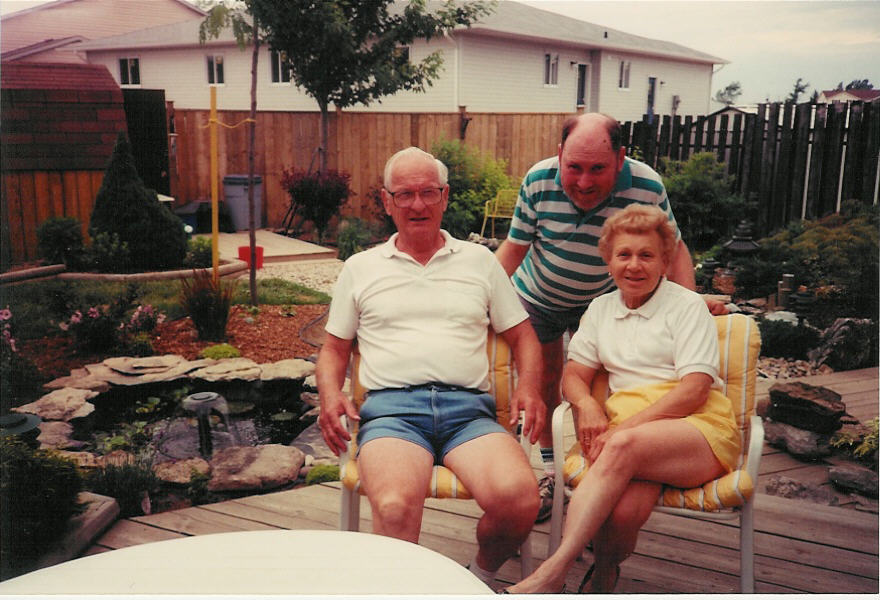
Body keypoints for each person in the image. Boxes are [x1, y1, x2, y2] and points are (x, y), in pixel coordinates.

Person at [316, 146, 546, 587]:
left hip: (469, 416)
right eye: (404, 194)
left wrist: (530, 388)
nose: (417, 205)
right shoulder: (360, 269)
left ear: (444, 196)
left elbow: (524, 337)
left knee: (520, 500)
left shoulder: (480, 262)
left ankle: (475, 580)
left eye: (427, 193)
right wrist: (331, 394)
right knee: (396, 508)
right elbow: (333, 350)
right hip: (394, 414)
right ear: (386, 201)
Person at [494, 112, 728, 521]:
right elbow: (514, 249)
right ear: (559, 154)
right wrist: (481, 299)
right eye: (575, 168)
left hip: (604, 300)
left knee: (598, 391)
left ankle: (600, 474)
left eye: (598, 169)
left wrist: (686, 301)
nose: (584, 182)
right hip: (540, 295)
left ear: (621, 159)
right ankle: (551, 474)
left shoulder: (646, 185)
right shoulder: (537, 180)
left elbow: (673, 246)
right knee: (550, 383)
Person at [503, 204, 740, 594]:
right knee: (622, 515)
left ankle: (551, 573)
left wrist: (622, 430)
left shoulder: (686, 307)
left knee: (625, 446)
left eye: (646, 255)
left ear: (665, 261)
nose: (634, 265)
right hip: (634, 443)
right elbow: (575, 376)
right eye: (624, 255)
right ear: (608, 261)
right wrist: (589, 405)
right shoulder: (600, 309)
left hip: (696, 431)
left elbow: (696, 387)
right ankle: (606, 574)